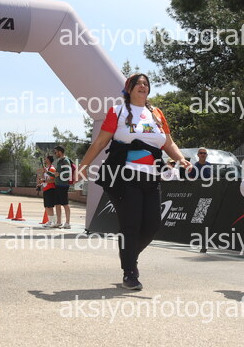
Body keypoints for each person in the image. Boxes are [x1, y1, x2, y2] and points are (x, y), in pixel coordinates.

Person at [77, 73, 192, 290]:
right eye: (137, 83)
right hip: (124, 176)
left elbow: (168, 143)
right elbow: (100, 143)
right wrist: (83, 167)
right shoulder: (117, 111)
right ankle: (129, 272)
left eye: (145, 83)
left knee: (152, 224)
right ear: (128, 89)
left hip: (152, 176)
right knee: (131, 225)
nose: (142, 86)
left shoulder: (156, 113)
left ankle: (129, 256)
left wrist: (181, 159)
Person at [52, 146, 71, 229]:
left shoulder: (65, 160)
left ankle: (67, 223)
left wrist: (59, 174)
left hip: (63, 185)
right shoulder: (60, 161)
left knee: (65, 204)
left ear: (60, 152)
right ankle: (59, 222)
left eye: (55, 152)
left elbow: (68, 173)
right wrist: (49, 173)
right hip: (58, 185)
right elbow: (57, 174)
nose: (55, 154)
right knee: (57, 204)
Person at [39, 156, 57, 227]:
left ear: (49, 160)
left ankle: (52, 221)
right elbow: (43, 178)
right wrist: (41, 180)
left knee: (50, 206)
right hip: (46, 189)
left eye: (46, 159)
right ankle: (51, 220)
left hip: (50, 189)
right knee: (46, 206)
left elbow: (53, 180)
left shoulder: (52, 169)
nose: (44, 160)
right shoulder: (46, 169)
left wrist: (44, 181)